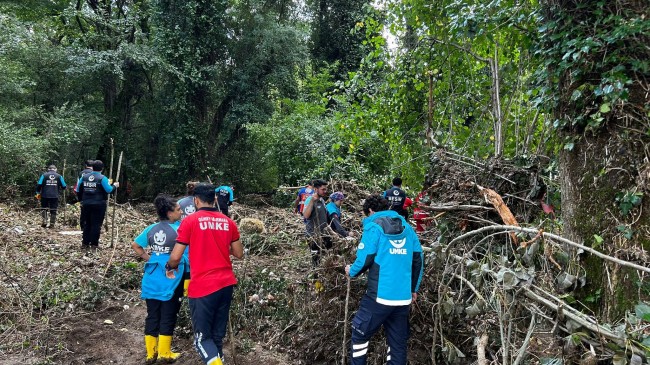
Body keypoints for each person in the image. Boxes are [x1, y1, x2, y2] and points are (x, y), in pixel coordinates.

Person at [165, 183, 243, 365]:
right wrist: (219, 247)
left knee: (202, 339)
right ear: (215, 199)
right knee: (216, 336)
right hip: (226, 285)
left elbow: (176, 257)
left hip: (203, 287)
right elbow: (239, 253)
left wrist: (169, 267)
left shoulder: (189, 221)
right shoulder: (228, 222)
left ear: (196, 200)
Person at [345, 193, 424, 365]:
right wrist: (413, 289)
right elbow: (418, 259)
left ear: (371, 211)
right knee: (397, 342)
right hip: (403, 298)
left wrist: (351, 271)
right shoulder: (407, 228)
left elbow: (365, 258)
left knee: (360, 333)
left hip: (379, 297)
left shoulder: (374, 227)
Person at [131, 195, 188, 363]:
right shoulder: (180, 230)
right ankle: (164, 353)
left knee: (152, 314)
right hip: (172, 276)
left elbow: (135, 245)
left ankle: (151, 353)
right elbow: (185, 255)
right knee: (168, 314)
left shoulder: (151, 228)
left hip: (152, 275)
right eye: (178, 209)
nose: (181, 211)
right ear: (170, 213)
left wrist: (150, 258)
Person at [75, 160, 119, 249]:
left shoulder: (84, 177)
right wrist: (115, 186)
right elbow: (109, 190)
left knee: (87, 223)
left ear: (92, 167)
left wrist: (81, 200)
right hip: (99, 204)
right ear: (102, 168)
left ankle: (85, 243)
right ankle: (94, 244)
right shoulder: (102, 178)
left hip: (86, 204)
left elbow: (78, 190)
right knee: (96, 224)